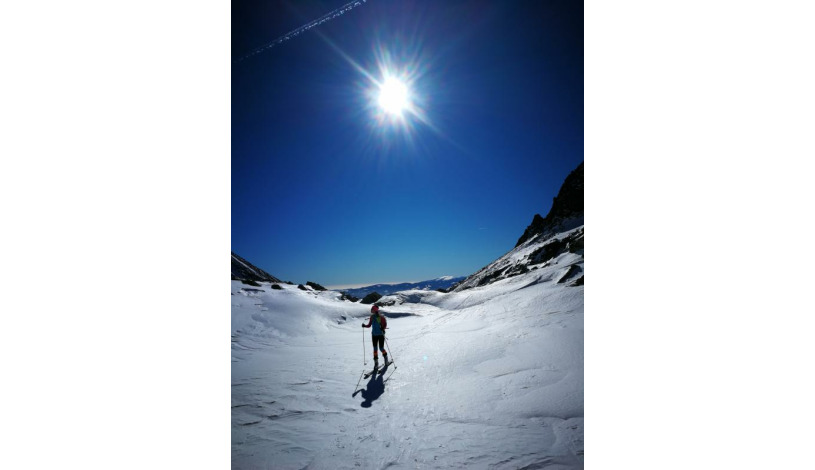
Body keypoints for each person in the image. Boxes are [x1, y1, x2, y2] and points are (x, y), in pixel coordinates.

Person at [362, 304, 388, 370]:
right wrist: (365, 326)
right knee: (375, 349)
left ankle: (386, 358)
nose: (371, 311)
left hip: (380, 334)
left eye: (372, 309)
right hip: (374, 335)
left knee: (381, 348)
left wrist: (383, 328)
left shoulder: (380, 317)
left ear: (375, 310)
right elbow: (369, 325)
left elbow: (385, 324)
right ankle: (376, 363)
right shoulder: (372, 317)